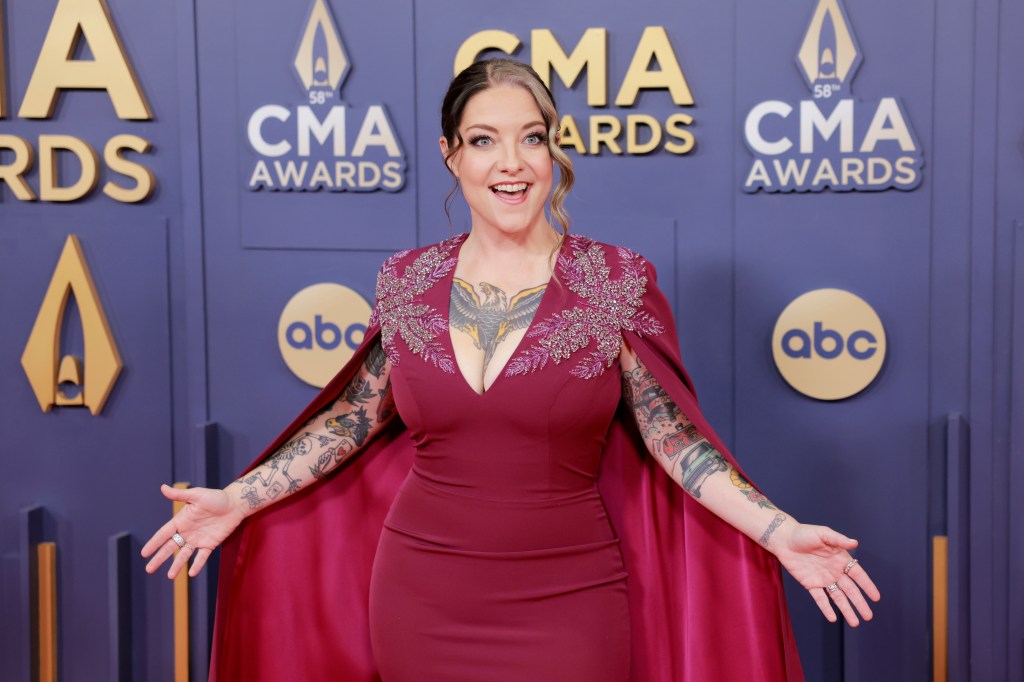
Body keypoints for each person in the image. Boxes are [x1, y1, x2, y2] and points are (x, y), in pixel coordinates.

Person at [142, 59, 880, 681]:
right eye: (484, 140)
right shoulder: (406, 280)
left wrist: (779, 532)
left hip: (571, 597)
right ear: (450, 153)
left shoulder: (615, 279)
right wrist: (241, 497)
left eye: (532, 138)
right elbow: (349, 420)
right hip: (419, 594)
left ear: (554, 150)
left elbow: (674, 439)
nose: (511, 163)